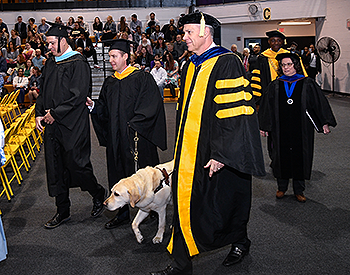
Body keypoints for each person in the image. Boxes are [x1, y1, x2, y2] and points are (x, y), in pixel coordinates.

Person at [150, 12, 265, 275]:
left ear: (206, 32)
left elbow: (235, 111)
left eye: (189, 32)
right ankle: (181, 262)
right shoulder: (190, 63)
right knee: (189, 202)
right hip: (191, 148)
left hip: (218, 151)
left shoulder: (227, 62)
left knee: (226, 200)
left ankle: (240, 240)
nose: (184, 38)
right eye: (184, 32)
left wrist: (222, 152)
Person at [86, 39, 166, 230]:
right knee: (118, 173)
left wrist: (135, 124)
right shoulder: (110, 82)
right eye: (109, 56)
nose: (111, 60)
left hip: (137, 138)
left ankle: (153, 209)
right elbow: (104, 107)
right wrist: (95, 106)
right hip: (116, 137)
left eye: (114, 56)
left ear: (125, 57)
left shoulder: (142, 78)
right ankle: (122, 213)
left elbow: (151, 105)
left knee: (144, 175)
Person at [35, 23, 106, 229]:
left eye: (50, 43)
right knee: (56, 166)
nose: (48, 47)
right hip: (52, 124)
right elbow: (43, 90)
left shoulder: (78, 62)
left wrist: (54, 114)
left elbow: (78, 97)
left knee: (77, 165)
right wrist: (40, 113)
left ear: (62, 40)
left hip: (73, 124)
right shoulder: (50, 63)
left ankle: (97, 192)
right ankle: (62, 210)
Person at [258, 52, 336, 202]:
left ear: (295, 65)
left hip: (301, 127)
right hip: (280, 129)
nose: (285, 67)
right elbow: (266, 107)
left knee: (301, 156)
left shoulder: (307, 83)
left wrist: (324, 121)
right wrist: (265, 126)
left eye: (289, 64)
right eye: (283, 65)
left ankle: (299, 190)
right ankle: (282, 187)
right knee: (281, 156)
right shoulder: (275, 84)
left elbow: (318, 103)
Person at [250, 30, 307, 105]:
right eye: (273, 40)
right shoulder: (262, 58)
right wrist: (257, 100)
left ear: (283, 42)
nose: (276, 43)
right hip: (269, 93)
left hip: (289, 92)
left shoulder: (290, 56)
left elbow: (300, 73)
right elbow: (256, 78)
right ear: (269, 42)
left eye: (279, 40)